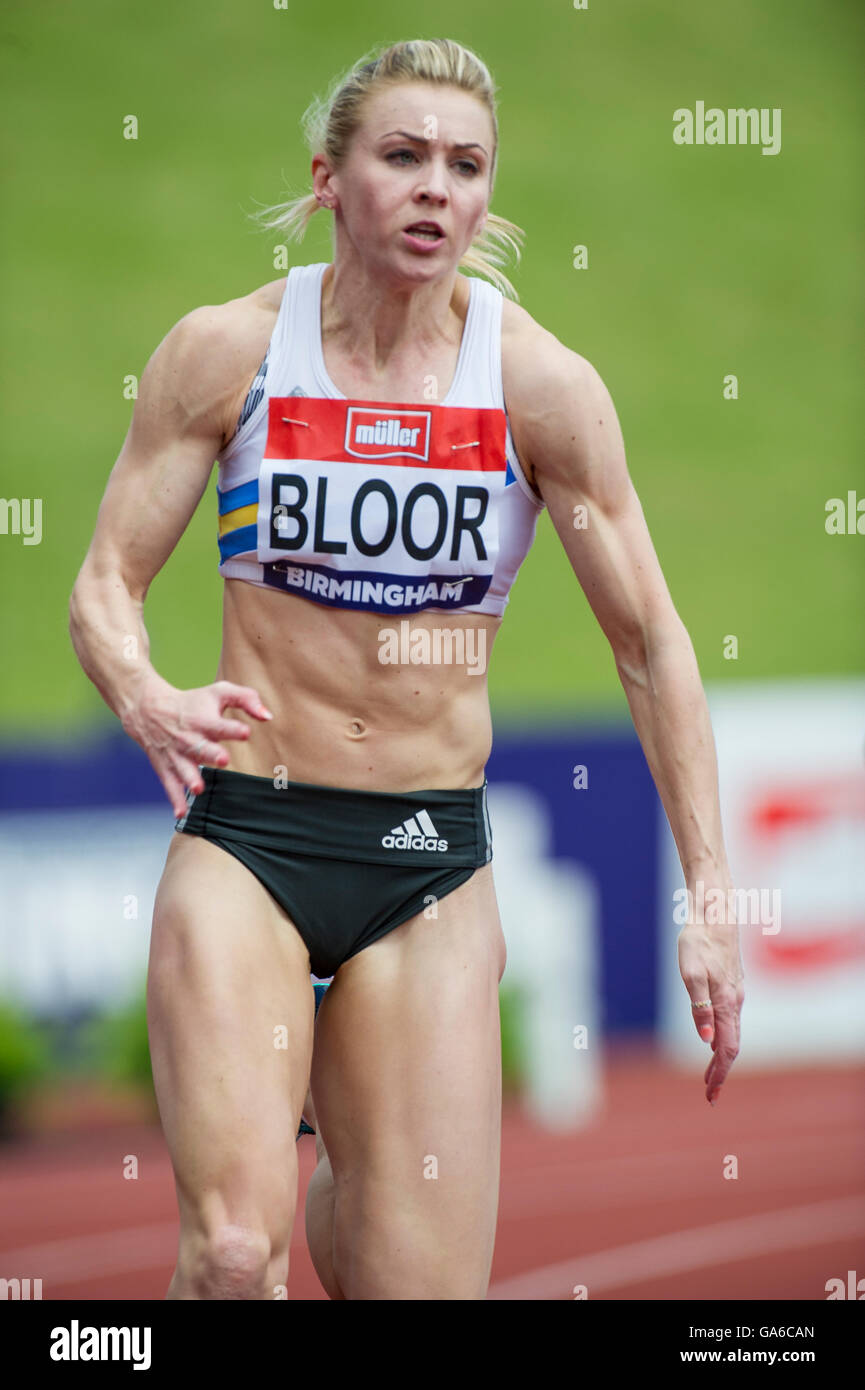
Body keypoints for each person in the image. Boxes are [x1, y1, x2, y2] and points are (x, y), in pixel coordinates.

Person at [68, 37, 744, 1301]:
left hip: (427, 864)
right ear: (329, 178)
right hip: (250, 837)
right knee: (225, 1253)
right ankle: (291, 1179)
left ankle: (343, 1167)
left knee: (410, 1285)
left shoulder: (539, 388)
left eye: (467, 165)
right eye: (404, 156)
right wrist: (145, 692)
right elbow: (104, 583)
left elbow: (648, 640)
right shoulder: (226, 355)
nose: (439, 186)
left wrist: (709, 893)